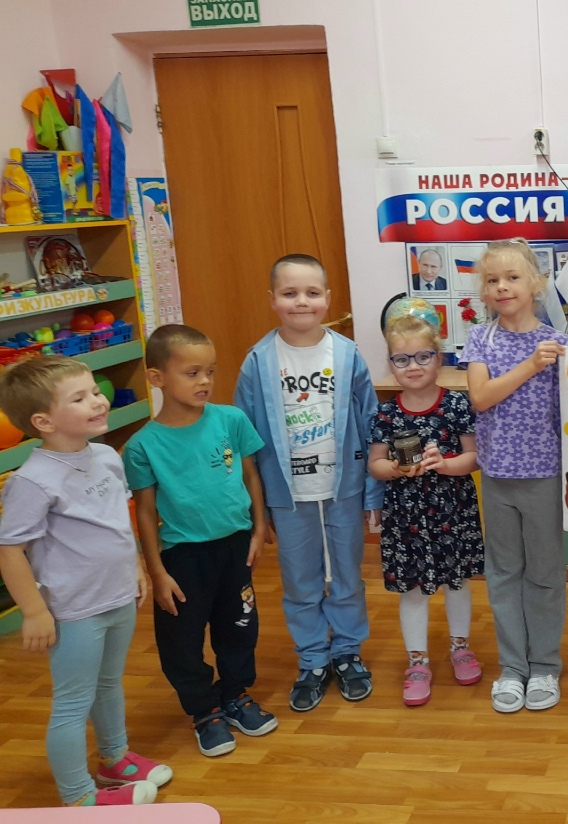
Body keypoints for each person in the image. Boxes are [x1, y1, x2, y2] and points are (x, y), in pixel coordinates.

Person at [0, 355, 171, 807]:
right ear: (43, 421)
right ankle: (78, 797)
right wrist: (34, 611)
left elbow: (117, 521)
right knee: (73, 702)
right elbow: (9, 550)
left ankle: (114, 758)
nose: (98, 401)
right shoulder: (32, 481)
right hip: (74, 611)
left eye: (95, 391)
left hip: (118, 597)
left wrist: (136, 565)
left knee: (109, 683)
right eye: (79, 398)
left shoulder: (106, 456)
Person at [234, 253, 384, 712]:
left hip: (344, 488)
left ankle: (347, 652)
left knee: (347, 576)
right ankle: (314, 659)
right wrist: (257, 510)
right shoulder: (258, 361)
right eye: (290, 293)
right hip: (288, 495)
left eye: (312, 293)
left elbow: (371, 424)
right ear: (273, 299)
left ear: (328, 298)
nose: (302, 301)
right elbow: (244, 438)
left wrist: (373, 493)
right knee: (300, 582)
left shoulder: (347, 354)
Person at [124, 324, 275, 757]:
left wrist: (258, 526)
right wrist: (156, 571)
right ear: (156, 378)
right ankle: (204, 711)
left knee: (240, 626)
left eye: (210, 371)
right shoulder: (141, 446)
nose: (205, 381)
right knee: (183, 641)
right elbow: (145, 512)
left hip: (234, 547)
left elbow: (250, 474)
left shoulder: (231, 420)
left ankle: (235, 695)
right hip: (182, 558)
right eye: (192, 373)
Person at [460, 238, 568, 713]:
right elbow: (480, 398)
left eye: (512, 277)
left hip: (545, 476)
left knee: (545, 574)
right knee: (504, 573)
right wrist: (531, 364)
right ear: (484, 291)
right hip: (497, 477)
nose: (502, 287)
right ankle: (512, 667)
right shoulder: (480, 339)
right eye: (493, 280)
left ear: (536, 283)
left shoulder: (560, 343)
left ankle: (544, 665)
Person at [368, 315, 484, 707]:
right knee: (412, 589)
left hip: (452, 511)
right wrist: (396, 468)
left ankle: (460, 648)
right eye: (402, 359)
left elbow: (473, 457)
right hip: (407, 517)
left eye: (422, 356)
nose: (413, 366)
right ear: (391, 365)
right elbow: (375, 465)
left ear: (438, 358)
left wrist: (445, 465)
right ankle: (417, 662)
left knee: (457, 582)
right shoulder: (385, 414)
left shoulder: (456, 404)